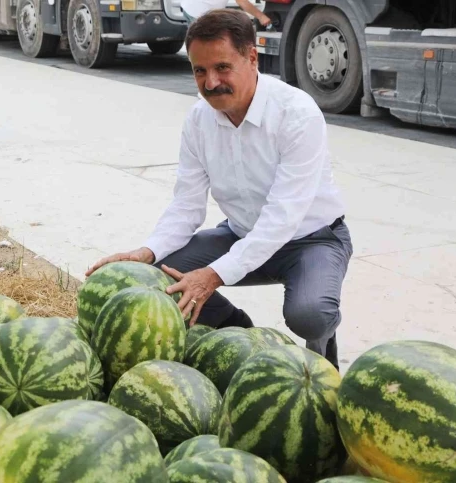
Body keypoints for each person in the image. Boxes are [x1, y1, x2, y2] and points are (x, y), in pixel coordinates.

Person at [85, 9, 353, 369]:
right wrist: (147, 252)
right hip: (242, 235)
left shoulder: (297, 114)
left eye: (222, 68)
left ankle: (323, 355)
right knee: (162, 275)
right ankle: (237, 331)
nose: (211, 82)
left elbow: (283, 217)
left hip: (312, 240)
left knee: (309, 314)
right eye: (200, 70)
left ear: (252, 57)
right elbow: (187, 206)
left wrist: (213, 275)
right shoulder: (199, 120)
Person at [181, 0, 272, 28]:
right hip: (198, 10)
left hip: (190, 7)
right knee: (206, 44)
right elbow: (242, 2)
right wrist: (261, 16)